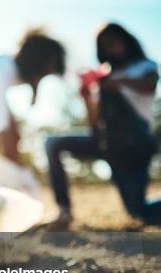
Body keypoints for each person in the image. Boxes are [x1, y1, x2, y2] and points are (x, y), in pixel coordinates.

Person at [45, 23, 160, 228]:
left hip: (133, 148)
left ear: (125, 40)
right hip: (105, 143)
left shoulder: (144, 66)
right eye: (105, 45)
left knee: (138, 211)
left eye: (114, 41)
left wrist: (120, 81)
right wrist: (87, 97)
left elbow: (149, 84)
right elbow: (94, 123)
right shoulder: (102, 77)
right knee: (53, 143)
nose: (111, 47)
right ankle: (64, 210)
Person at [0, 29, 66, 163]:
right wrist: (3, 134)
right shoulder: (4, 70)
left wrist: (35, 92)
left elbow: (36, 80)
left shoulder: (28, 73)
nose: (42, 76)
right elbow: (0, 110)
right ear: (35, 63)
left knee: (16, 136)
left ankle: (13, 167)